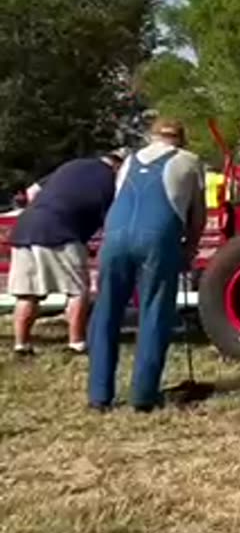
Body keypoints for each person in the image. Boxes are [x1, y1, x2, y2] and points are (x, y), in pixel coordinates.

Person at [88, 118, 206, 413]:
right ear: (181, 139)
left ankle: (99, 395)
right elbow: (197, 216)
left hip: (115, 236)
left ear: (152, 137)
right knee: (154, 312)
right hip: (157, 238)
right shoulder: (190, 161)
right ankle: (143, 395)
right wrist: (189, 249)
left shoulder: (129, 161)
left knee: (106, 313)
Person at [7, 150, 126, 356]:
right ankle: (76, 342)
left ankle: (22, 344)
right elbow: (112, 221)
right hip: (62, 232)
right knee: (77, 291)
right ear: (118, 166)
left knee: (28, 293)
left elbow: (31, 192)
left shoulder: (72, 165)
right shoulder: (111, 181)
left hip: (25, 228)